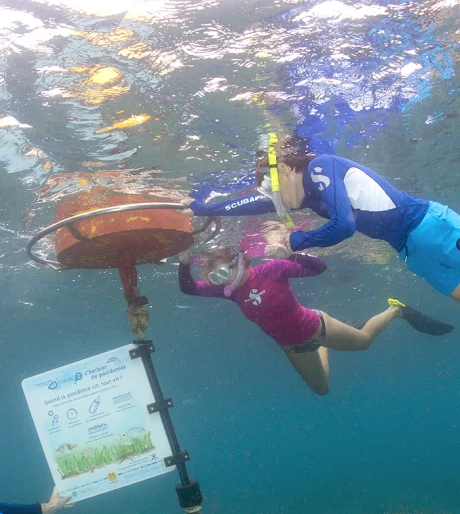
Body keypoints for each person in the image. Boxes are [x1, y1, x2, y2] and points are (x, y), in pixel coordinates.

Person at [185, 138, 460, 302]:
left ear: (284, 168)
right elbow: (247, 205)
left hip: (429, 226)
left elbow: (344, 225)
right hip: (410, 250)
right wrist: (202, 209)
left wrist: (296, 240)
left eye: (272, 188)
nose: (274, 199)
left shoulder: (320, 166)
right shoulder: (308, 196)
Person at [178, 246, 452, 396]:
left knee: (365, 342)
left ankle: (396, 311)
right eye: (215, 276)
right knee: (322, 391)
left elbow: (319, 268)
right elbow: (189, 288)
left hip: (317, 324)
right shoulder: (229, 292)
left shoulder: (272, 270)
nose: (222, 279)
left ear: (240, 262)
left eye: (224, 271)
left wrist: (292, 255)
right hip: (294, 347)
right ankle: (324, 347)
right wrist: (183, 261)